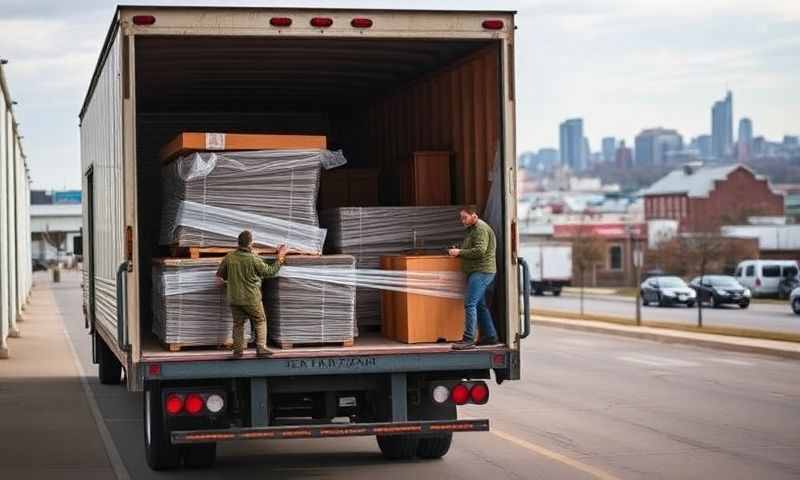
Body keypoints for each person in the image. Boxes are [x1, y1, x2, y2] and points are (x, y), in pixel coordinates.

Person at [216, 230, 288, 358]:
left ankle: (237, 352)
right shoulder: (254, 259)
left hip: (234, 299)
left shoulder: (229, 257)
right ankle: (261, 348)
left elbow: (219, 277)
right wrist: (280, 257)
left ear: (238, 243)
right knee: (260, 320)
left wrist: (233, 281)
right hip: (251, 298)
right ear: (250, 244)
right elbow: (270, 272)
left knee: (238, 324)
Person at [448, 207, 499, 350]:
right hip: (479, 271)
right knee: (479, 305)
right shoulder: (473, 229)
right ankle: (490, 336)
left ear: (474, 216)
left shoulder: (480, 229)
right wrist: (460, 250)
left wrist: (459, 252)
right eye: (461, 217)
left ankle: (468, 339)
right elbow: (474, 247)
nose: (462, 220)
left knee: (470, 304)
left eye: (464, 217)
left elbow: (480, 251)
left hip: (481, 272)